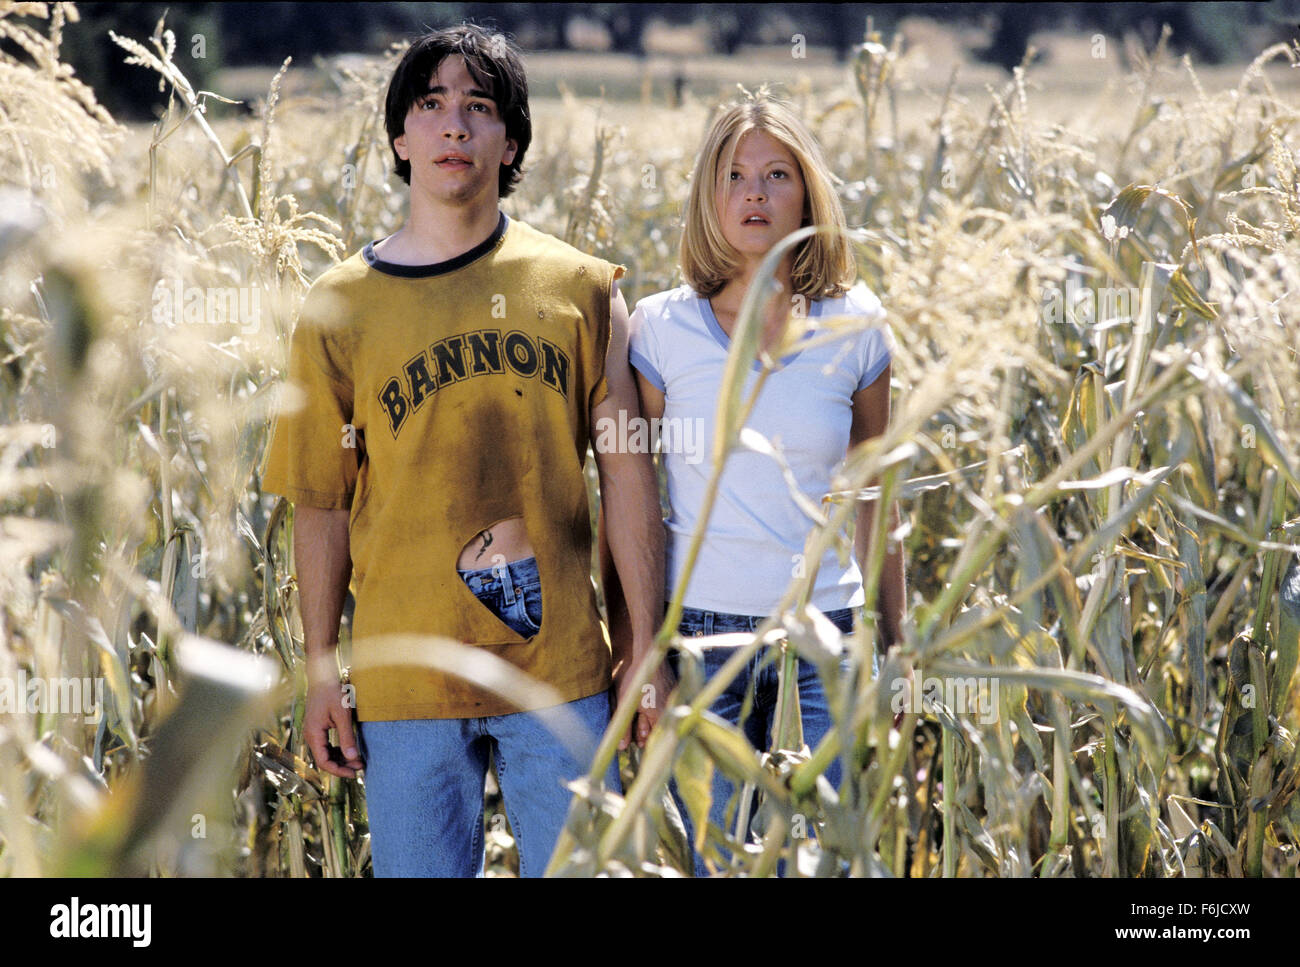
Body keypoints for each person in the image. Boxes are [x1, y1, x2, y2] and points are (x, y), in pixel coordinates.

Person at [259, 24, 665, 878]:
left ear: (510, 140)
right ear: (400, 138)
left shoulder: (584, 289)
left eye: (479, 108)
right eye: (431, 106)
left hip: (559, 676)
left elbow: (629, 478)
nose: (454, 127)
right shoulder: (337, 308)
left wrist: (645, 649)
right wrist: (323, 670)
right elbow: (322, 504)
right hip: (406, 682)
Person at [623, 91, 907, 875]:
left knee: (825, 860)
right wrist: (639, 646)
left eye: (777, 174)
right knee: (722, 861)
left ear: (807, 194)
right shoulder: (659, 328)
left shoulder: (857, 323)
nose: (755, 193)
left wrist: (899, 645)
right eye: (736, 175)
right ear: (709, 199)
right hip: (701, 646)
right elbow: (632, 495)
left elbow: (873, 491)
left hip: (826, 640)